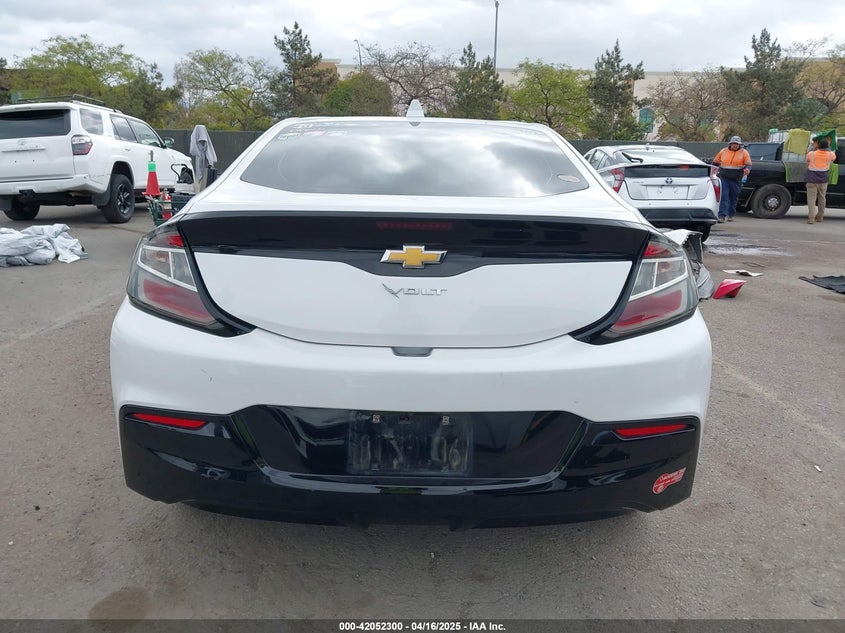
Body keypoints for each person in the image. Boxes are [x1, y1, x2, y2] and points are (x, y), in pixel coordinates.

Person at [711, 135, 752, 222]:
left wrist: (747, 169)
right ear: (730, 144)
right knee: (724, 197)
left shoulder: (744, 152)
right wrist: (712, 170)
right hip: (724, 178)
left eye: (737, 144)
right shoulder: (723, 151)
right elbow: (715, 162)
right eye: (733, 143)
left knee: (733, 197)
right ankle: (721, 216)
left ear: (739, 144)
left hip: (736, 179)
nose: (735, 145)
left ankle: (731, 214)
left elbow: (748, 164)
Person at [805, 136, 836, 224]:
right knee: (822, 198)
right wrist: (829, 145)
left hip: (811, 179)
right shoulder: (830, 154)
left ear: (818, 145)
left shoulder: (811, 154)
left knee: (811, 199)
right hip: (823, 180)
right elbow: (833, 157)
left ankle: (811, 218)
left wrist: (814, 147)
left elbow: (807, 158)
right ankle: (820, 217)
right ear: (827, 146)